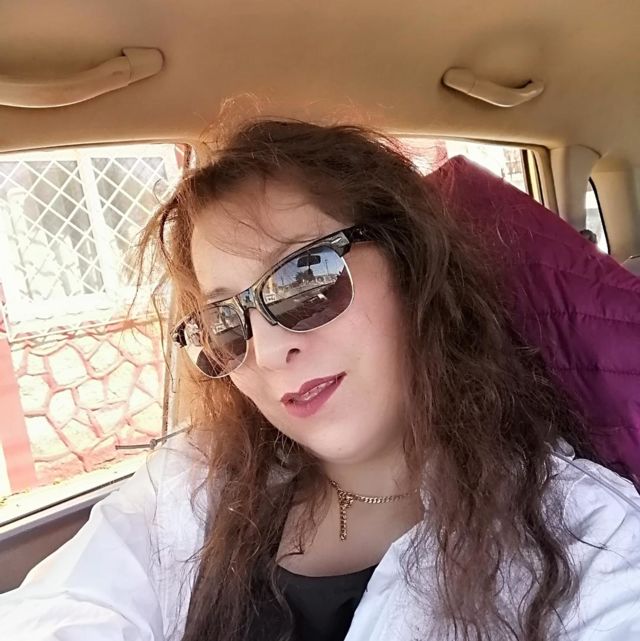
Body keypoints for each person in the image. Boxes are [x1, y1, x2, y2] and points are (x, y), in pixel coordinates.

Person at [1, 118, 640, 641]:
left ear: (411, 264)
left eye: (305, 279)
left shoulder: (590, 541)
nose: (268, 351)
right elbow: (64, 610)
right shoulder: (193, 482)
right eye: (226, 322)